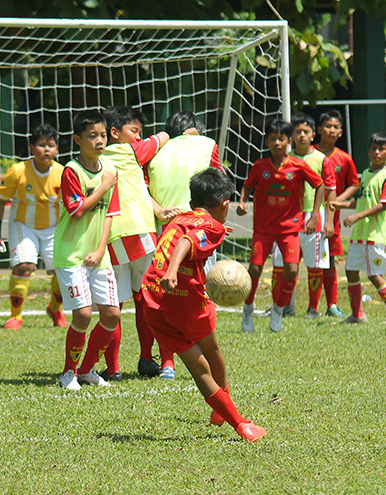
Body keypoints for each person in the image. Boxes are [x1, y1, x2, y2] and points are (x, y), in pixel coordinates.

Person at [140, 167, 266, 442]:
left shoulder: (183, 217)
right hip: (184, 300)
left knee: (198, 368)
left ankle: (223, 413)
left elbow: (186, 233)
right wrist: (173, 271)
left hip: (152, 297)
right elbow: (188, 241)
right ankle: (240, 423)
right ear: (224, 204)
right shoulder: (211, 226)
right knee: (211, 351)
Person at [145, 110, 223, 379]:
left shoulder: (154, 150)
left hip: (163, 235)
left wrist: (159, 209)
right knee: (197, 294)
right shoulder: (207, 144)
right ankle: (204, 355)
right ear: (195, 128)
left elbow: (140, 187)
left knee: (163, 297)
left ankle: (166, 362)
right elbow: (217, 186)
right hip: (199, 230)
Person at [53, 110, 122, 390]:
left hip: (98, 254)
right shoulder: (72, 170)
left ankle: (86, 369)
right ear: (77, 140)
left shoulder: (110, 170)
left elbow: (109, 214)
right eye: (92, 136)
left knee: (112, 315)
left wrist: (100, 248)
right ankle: (68, 372)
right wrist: (104, 186)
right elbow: (78, 210)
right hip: (71, 254)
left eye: (103, 135)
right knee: (82, 314)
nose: (99, 141)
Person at [236, 117, 324, 333]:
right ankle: (248, 309)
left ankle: (278, 310)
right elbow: (247, 186)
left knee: (292, 270)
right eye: (273, 139)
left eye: (281, 139)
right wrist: (242, 202)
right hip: (263, 228)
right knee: (255, 269)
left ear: (288, 142)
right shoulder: (260, 166)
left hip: (290, 227)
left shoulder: (298, 165)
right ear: (267, 142)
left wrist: (313, 216)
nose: (277, 143)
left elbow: (320, 185)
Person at [102, 106, 170, 380]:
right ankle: (146, 358)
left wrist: (158, 209)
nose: (138, 137)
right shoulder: (132, 150)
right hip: (141, 232)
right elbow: (163, 137)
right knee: (144, 298)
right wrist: (165, 133)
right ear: (115, 133)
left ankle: (114, 368)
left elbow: (138, 188)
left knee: (113, 302)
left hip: (111, 234)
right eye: (134, 132)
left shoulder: (95, 158)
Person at [0, 124, 68, 330]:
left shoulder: (63, 173)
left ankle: (55, 308)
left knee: (62, 270)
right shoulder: (17, 171)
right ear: (32, 147)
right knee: (25, 266)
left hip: (54, 228)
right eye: (41, 145)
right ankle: (16, 316)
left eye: (51, 146)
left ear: (57, 149)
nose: (46, 150)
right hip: (23, 225)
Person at [328, 132, 386, 325]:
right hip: (360, 234)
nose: (377, 152)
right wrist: (341, 204)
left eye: (382, 149)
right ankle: (357, 315)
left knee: (373, 274)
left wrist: (357, 217)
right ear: (368, 151)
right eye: (374, 148)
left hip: (374, 234)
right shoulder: (366, 175)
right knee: (351, 270)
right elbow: (361, 201)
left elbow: (383, 205)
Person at [289, 113, 336, 319]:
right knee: (285, 264)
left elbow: (330, 190)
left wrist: (327, 220)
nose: (301, 135)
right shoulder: (285, 158)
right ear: (291, 135)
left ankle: (313, 308)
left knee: (315, 264)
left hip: (313, 216)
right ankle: (283, 306)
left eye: (305, 132)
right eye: (297, 131)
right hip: (288, 217)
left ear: (313, 135)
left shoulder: (321, 160)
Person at [313, 109, 358, 318]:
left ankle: (332, 304)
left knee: (329, 259)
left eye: (336, 127)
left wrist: (338, 201)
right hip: (307, 214)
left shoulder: (344, 158)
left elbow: (354, 184)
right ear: (319, 129)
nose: (331, 130)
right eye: (328, 126)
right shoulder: (309, 154)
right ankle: (298, 305)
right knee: (300, 260)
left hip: (331, 217)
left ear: (341, 132)